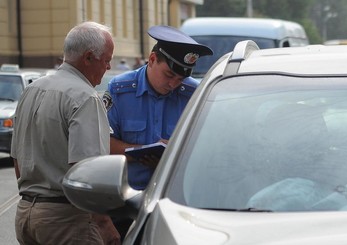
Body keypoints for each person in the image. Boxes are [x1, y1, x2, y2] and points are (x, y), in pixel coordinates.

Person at [11, 21, 120, 245]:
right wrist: (104, 224)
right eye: (107, 60)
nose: (108, 67)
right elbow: (89, 174)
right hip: (66, 220)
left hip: (26, 214)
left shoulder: (31, 90)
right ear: (88, 57)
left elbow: (17, 160)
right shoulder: (85, 97)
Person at [104, 25, 212, 239]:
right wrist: (139, 151)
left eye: (180, 79)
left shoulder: (194, 93)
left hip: (176, 205)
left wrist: (171, 159)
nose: (173, 84)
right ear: (152, 60)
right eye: (169, 74)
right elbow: (101, 143)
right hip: (125, 203)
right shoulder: (120, 89)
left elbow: (207, 149)